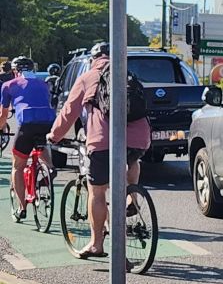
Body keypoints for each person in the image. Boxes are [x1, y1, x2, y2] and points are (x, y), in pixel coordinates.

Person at [48, 42, 151, 258]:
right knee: (131, 161)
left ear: (94, 59)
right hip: (140, 138)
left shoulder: (87, 77)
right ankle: (132, 195)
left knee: (97, 191)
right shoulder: (127, 75)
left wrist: (54, 136)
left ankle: (96, 244)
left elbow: (69, 112)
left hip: (103, 141)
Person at [0, 57, 57, 219]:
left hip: (27, 123)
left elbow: (3, 116)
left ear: (14, 71)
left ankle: (21, 207)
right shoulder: (44, 84)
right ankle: (49, 168)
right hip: (48, 121)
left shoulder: (9, 85)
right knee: (42, 145)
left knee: (18, 166)